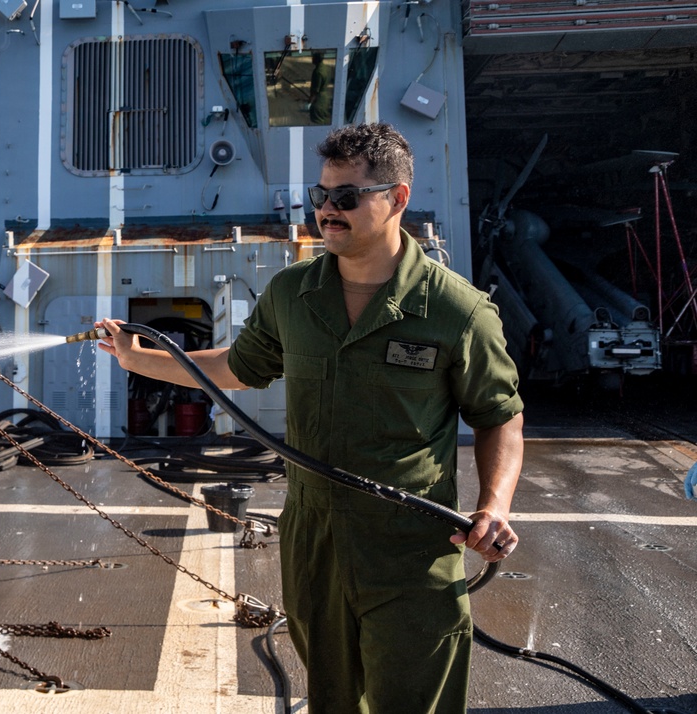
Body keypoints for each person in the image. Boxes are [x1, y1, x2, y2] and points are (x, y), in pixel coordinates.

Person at [97, 122, 524, 713]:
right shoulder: (291, 295)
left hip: (410, 551)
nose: (327, 211)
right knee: (331, 701)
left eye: (345, 198)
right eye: (319, 197)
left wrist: (494, 506)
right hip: (312, 542)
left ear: (396, 199)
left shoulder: (458, 311)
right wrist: (136, 358)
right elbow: (234, 367)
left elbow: (500, 417)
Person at [308, 51, 334, 125]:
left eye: (313, 58)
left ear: (316, 59)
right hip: (325, 98)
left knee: (317, 121)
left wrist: (310, 101)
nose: (312, 59)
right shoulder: (326, 68)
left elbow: (316, 90)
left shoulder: (318, 72)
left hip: (319, 100)